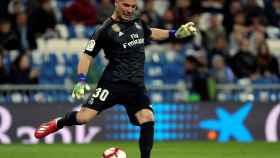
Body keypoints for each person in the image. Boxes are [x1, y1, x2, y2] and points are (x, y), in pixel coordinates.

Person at [34, 0, 197, 158]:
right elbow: (87, 56)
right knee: (84, 117)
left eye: (133, 6)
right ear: (116, 3)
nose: (129, 9)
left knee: (147, 118)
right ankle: (58, 123)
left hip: (135, 85)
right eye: (126, 5)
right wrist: (82, 79)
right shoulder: (104, 30)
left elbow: (152, 33)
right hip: (112, 83)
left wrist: (175, 33)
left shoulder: (138, 23)